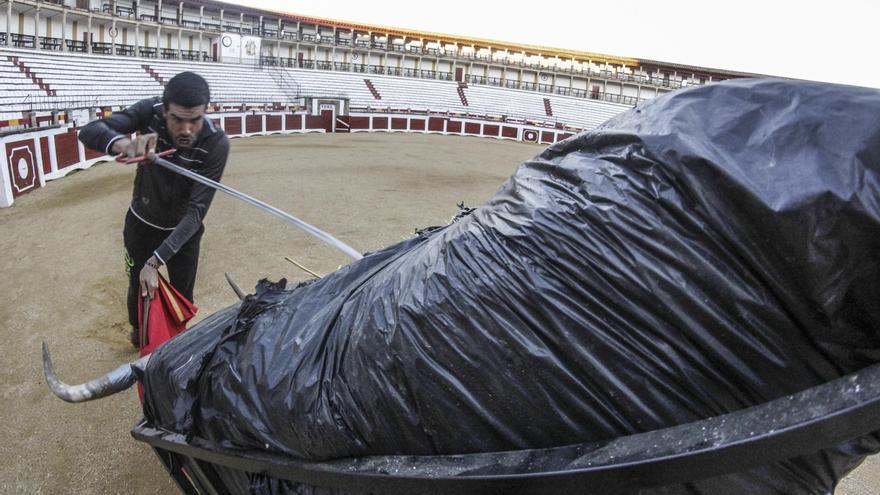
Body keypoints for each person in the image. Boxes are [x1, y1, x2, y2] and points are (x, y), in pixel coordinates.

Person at [79, 71, 229, 348]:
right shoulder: (150, 112)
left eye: (195, 120)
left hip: (184, 234)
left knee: (183, 295)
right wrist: (123, 143)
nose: (186, 129)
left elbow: (196, 212)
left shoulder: (216, 142)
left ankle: (176, 345)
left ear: (205, 113)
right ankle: (138, 332)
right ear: (164, 109)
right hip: (141, 224)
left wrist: (154, 262)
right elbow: (88, 131)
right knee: (138, 287)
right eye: (177, 119)